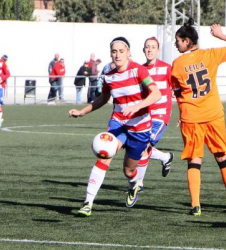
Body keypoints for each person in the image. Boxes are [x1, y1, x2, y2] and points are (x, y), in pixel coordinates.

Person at [69, 37, 161, 217]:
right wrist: (83, 111)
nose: (117, 55)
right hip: (118, 124)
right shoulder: (108, 75)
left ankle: (134, 185)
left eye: (121, 51)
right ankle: (87, 203)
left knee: (128, 170)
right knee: (103, 156)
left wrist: (136, 107)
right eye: (114, 51)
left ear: (128, 52)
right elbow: (103, 99)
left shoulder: (138, 70)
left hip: (140, 127)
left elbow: (156, 93)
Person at [171, 19, 226, 216]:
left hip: (191, 117)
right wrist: (221, 35)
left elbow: (178, 93)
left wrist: (181, 114)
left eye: (178, 41)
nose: (176, 44)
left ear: (187, 41)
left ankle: (195, 205)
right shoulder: (211, 54)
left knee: (194, 160)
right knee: (222, 156)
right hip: (213, 114)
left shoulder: (177, 64)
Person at [137, 37, 174, 192]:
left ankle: (138, 184)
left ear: (158, 50)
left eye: (153, 47)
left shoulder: (167, 68)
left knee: (142, 148)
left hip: (160, 116)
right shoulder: (140, 69)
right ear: (143, 50)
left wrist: (182, 113)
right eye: (147, 47)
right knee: (138, 147)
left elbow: (177, 90)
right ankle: (165, 157)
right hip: (144, 116)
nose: (150, 49)